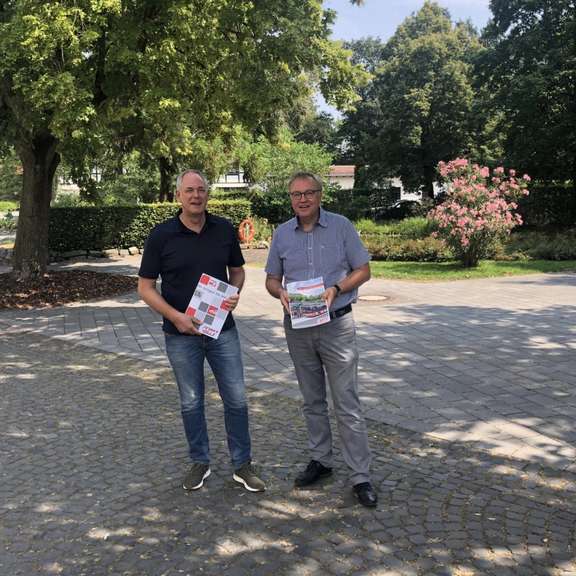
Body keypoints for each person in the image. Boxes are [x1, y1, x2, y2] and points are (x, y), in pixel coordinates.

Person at [138, 169, 265, 493]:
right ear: (179, 195)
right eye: (189, 190)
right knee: (191, 402)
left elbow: (237, 271)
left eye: (201, 190)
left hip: (222, 330)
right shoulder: (161, 235)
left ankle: (242, 464)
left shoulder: (222, 229)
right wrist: (175, 316)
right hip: (180, 335)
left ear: (207, 194)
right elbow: (146, 287)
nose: (196, 196)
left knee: (236, 399)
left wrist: (233, 294)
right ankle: (200, 461)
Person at [265, 171, 377, 508]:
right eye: (296, 194)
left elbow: (364, 269)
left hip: (336, 324)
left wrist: (338, 288)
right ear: (290, 199)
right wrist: (281, 293)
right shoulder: (282, 234)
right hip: (298, 327)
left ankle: (361, 476)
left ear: (320, 195)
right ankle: (321, 460)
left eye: (308, 193)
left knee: (346, 402)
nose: (302, 199)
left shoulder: (342, 227)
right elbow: (271, 279)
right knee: (312, 399)